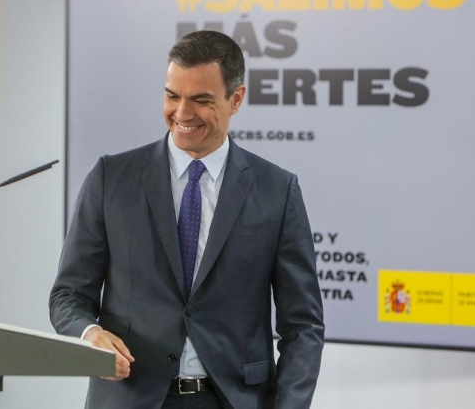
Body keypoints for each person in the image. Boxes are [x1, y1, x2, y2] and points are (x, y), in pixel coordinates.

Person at [50, 30, 324, 409]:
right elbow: (68, 295)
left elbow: (303, 326)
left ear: (236, 99)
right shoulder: (110, 178)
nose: (181, 113)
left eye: (200, 100)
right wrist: (89, 333)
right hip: (129, 398)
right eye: (171, 96)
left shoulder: (278, 190)